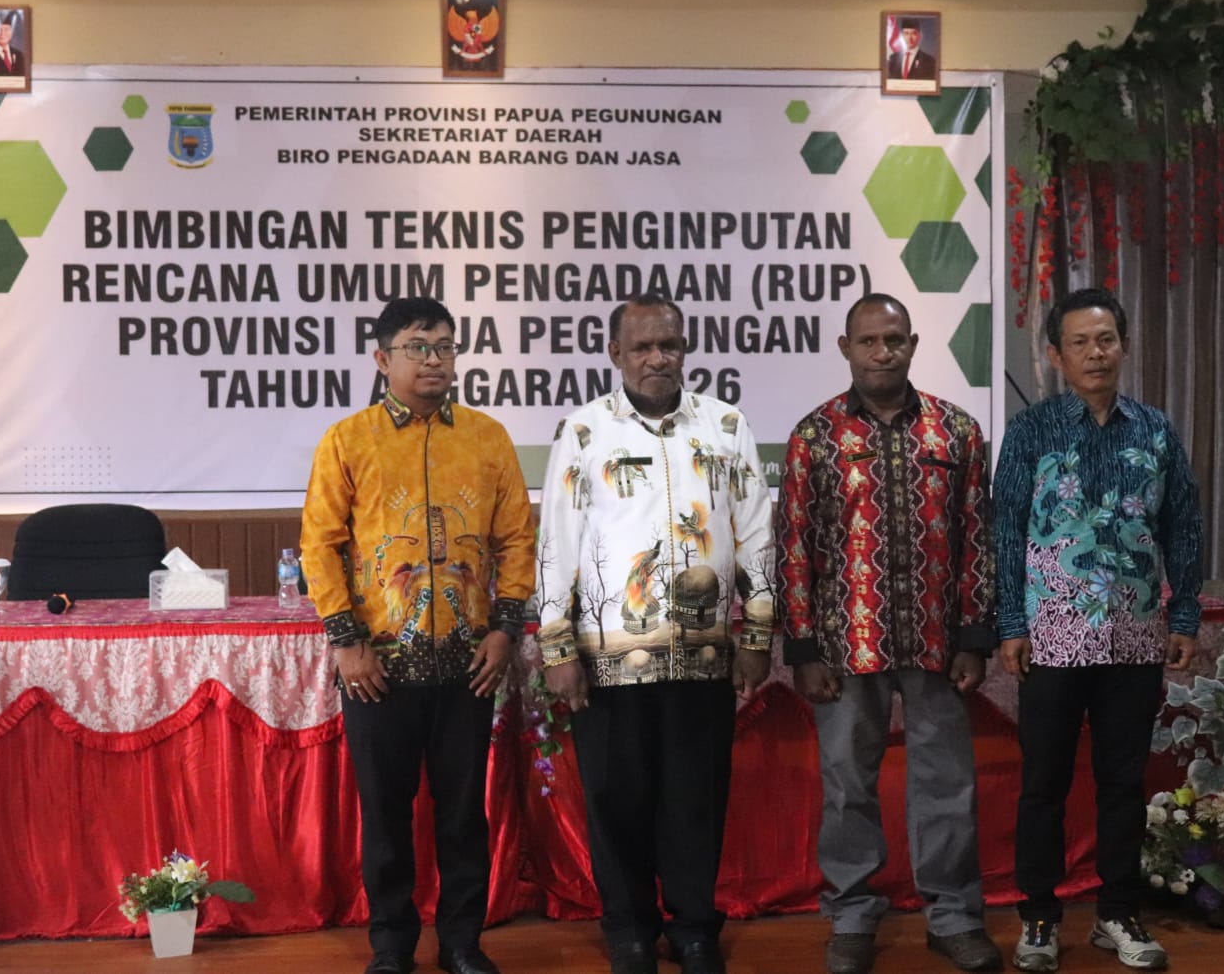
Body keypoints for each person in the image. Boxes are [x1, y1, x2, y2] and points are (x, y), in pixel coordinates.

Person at [535, 294, 775, 974]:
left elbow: (756, 532)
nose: (657, 358)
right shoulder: (584, 432)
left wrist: (757, 634)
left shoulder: (725, 425)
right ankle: (631, 931)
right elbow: (556, 542)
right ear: (615, 354)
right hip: (609, 657)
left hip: (705, 653)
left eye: (669, 344)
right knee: (617, 800)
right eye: (641, 347)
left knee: (696, 797)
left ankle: (694, 929)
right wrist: (556, 647)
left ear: (685, 348)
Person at [300, 296, 535, 974]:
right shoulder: (349, 440)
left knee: (463, 815)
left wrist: (504, 628)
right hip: (377, 667)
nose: (434, 360)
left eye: (444, 347)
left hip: (470, 666)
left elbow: (517, 539)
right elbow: (320, 546)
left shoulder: (487, 438)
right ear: (382, 359)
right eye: (417, 348)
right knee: (385, 816)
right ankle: (392, 947)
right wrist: (347, 643)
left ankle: (462, 943)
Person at [775, 295, 1002, 974]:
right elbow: (794, 548)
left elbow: (977, 538)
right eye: (869, 340)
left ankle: (953, 916)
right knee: (848, 786)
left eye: (895, 339)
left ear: (913, 344)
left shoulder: (955, 431)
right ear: (846, 348)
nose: (883, 352)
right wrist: (803, 648)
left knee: (946, 784)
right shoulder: (814, 436)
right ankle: (851, 915)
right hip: (847, 646)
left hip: (937, 643)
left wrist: (974, 636)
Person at [994, 287, 1203, 973]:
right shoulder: (1032, 431)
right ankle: (1039, 918)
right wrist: (1011, 622)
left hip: (1135, 637)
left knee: (1122, 784)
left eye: (1106, 339)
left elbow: (1183, 525)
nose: (1095, 353)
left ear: (1125, 346)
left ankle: (1118, 913)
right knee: (1043, 787)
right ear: (1056, 356)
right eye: (1080, 342)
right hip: (1052, 638)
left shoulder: (1155, 430)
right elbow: (1006, 530)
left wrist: (1184, 613)